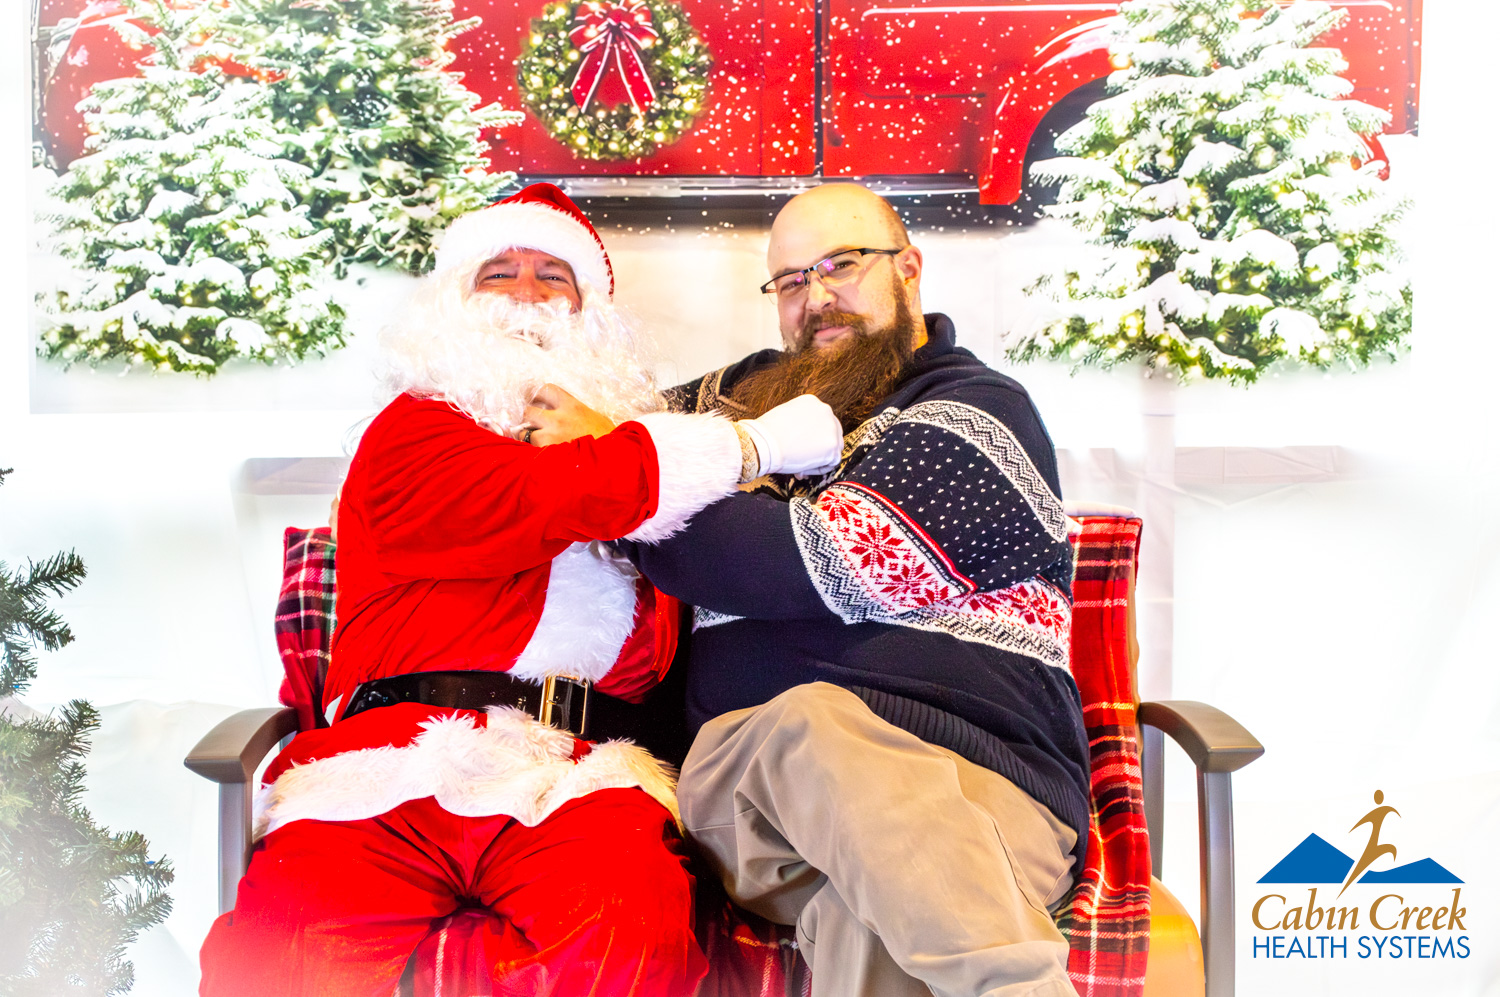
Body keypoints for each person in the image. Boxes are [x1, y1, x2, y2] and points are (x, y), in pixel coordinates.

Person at [197, 183, 843, 997]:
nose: (528, 294)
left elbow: (716, 554)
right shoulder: (412, 428)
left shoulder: (635, 463)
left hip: (581, 774)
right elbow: (551, 491)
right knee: (279, 959)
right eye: (499, 273)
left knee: (633, 938)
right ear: (451, 305)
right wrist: (757, 445)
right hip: (393, 762)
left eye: (554, 276)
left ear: (592, 315)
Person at [607, 182, 1092, 997]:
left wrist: (658, 499)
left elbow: (808, 556)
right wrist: (629, 479)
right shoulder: (731, 403)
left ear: (910, 268)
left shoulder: (977, 411)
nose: (817, 296)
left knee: (866, 918)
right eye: (791, 280)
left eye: (842, 264)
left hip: (990, 792)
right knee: (810, 723)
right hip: (753, 798)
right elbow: (607, 455)